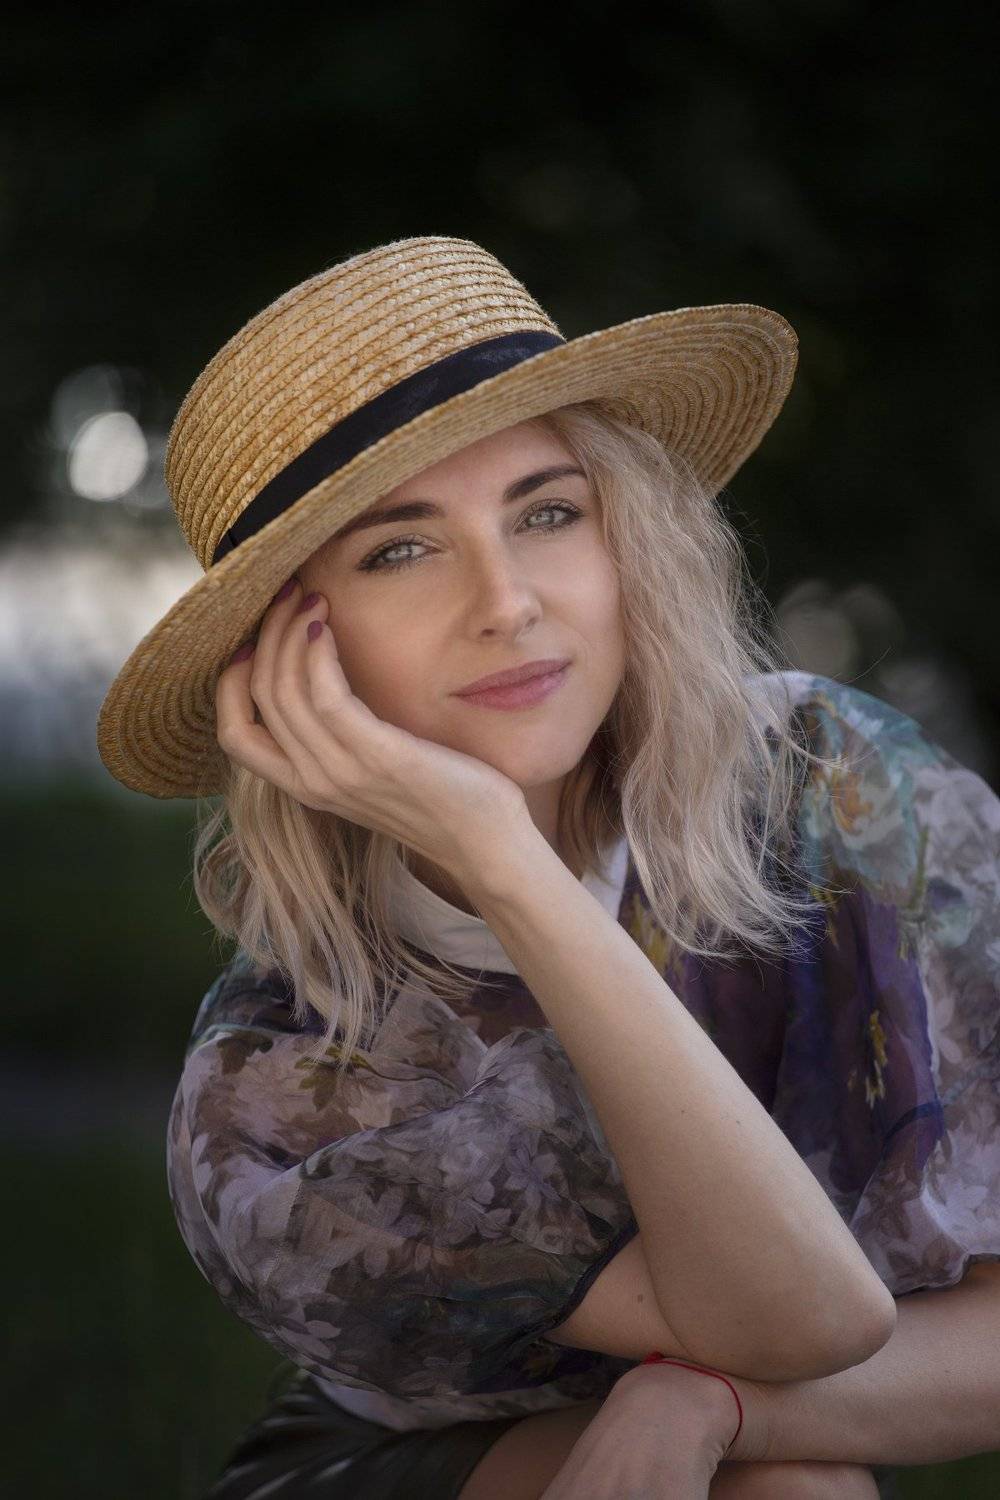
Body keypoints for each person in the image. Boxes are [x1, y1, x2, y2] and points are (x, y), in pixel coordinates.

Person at [97, 236, 1000, 1499]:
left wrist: (701, 1402)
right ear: (290, 654)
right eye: (399, 550)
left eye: (548, 512)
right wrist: (502, 860)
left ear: (626, 536)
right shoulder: (279, 1092)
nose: (507, 601)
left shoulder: (837, 785)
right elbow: (803, 1324)